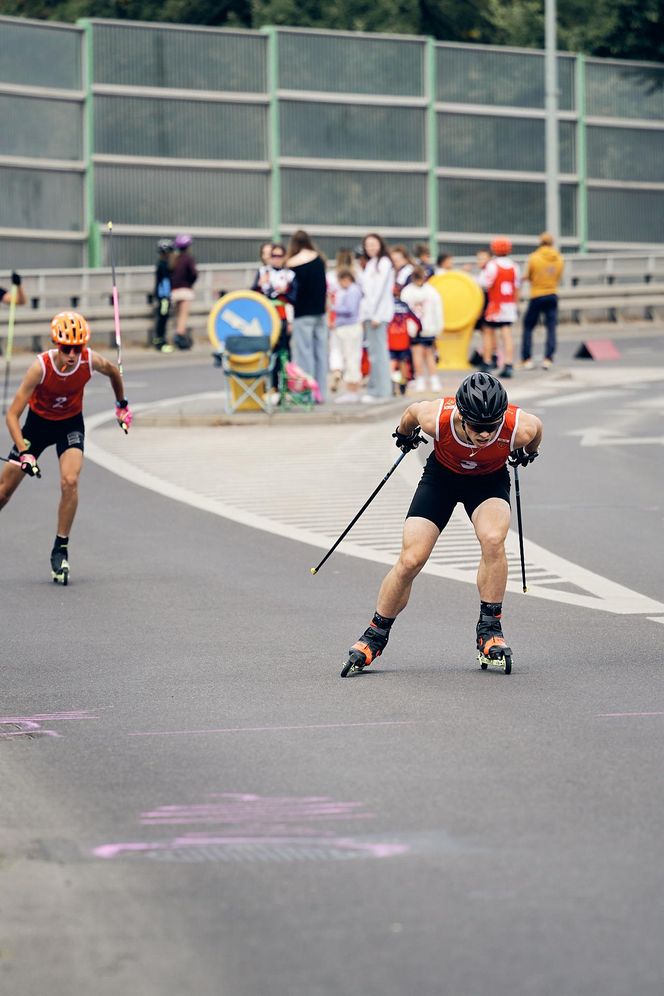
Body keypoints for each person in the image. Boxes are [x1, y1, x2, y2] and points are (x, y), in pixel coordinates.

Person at [342, 371, 542, 676]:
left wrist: (526, 453)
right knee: (411, 559)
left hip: (488, 482)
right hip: (442, 479)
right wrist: (404, 433)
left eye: (492, 427)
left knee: (493, 539)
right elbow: (410, 414)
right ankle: (375, 634)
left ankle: (490, 630)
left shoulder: (519, 427)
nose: (486, 434)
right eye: (478, 427)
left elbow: (536, 431)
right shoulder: (437, 418)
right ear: (462, 416)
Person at [0, 311, 131, 585]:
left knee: (70, 480)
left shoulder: (89, 360)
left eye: (77, 348)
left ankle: (60, 548)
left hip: (70, 424)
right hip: (37, 427)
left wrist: (121, 406)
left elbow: (113, 372)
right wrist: (24, 452)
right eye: (66, 348)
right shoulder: (41, 367)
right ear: (56, 344)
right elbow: (12, 415)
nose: (72, 354)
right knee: (3, 492)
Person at [286, 230, 328, 403]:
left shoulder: (292, 263)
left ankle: (307, 393)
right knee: (321, 353)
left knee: (304, 353)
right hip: (320, 312)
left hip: (302, 313)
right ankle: (322, 393)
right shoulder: (319, 259)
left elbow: (291, 292)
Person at [520, 232, 565, 370]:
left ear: (540, 242)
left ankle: (527, 359)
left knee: (528, 326)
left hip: (537, 294)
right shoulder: (559, 258)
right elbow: (558, 276)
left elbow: (528, 276)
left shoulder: (534, 257)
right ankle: (548, 358)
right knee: (551, 328)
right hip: (552, 294)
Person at [358, 233, 394, 401]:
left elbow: (380, 291)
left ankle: (381, 391)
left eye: (374, 244)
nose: (370, 247)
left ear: (380, 244)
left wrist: (375, 315)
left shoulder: (384, 263)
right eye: (368, 245)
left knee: (379, 353)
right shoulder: (371, 264)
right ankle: (377, 389)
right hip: (369, 314)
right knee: (374, 353)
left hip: (377, 316)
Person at [480, 237, 521, 379]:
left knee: (488, 331)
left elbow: (485, 283)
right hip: (509, 304)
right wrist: (516, 304)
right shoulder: (515, 266)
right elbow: (517, 287)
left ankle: (487, 361)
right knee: (507, 334)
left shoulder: (492, 265)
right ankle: (508, 364)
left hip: (495, 305)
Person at [400, 266, 443, 393]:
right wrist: (438, 327)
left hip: (421, 328)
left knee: (423, 354)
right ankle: (427, 380)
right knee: (423, 354)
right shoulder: (430, 291)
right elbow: (438, 310)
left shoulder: (408, 291)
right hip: (422, 328)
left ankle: (428, 380)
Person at [332, 268, 363, 404]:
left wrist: (333, 307)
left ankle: (353, 390)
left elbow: (350, 310)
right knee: (348, 358)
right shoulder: (348, 291)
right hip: (345, 328)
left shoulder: (353, 291)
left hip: (350, 328)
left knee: (352, 358)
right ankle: (350, 389)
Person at [171, 234, 197, 350]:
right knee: (183, 316)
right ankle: (180, 338)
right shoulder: (188, 259)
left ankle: (179, 336)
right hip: (185, 290)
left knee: (178, 316)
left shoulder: (174, 258)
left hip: (174, 291)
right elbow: (194, 274)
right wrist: (190, 283)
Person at [152, 239, 174, 353]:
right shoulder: (163, 265)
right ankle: (161, 342)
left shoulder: (161, 264)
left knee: (162, 318)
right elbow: (164, 283)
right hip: (163, 297)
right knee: (162, 319)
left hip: (163, 296)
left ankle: (159, 341)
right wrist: (166, 296)